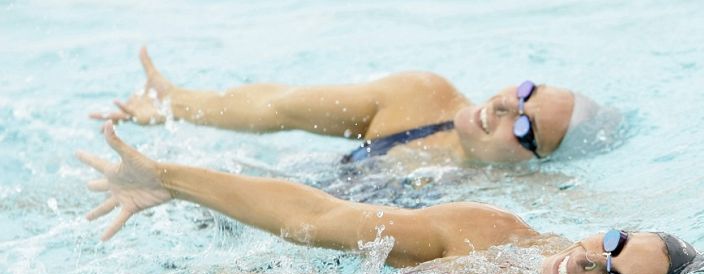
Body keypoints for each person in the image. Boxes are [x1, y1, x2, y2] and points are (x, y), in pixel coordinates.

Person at [77, 123, 700, 274]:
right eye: (612, 242)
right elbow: (320, 218)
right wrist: (171, 179)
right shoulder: (485, 234)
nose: (591, 260)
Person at [90, 47, 620, 166]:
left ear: (536, 165)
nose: (505, 105)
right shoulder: (420, 97)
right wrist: (178, 103)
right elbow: (279, 107)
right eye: (524, 91)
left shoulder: (505, 210)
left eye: (526, 127)